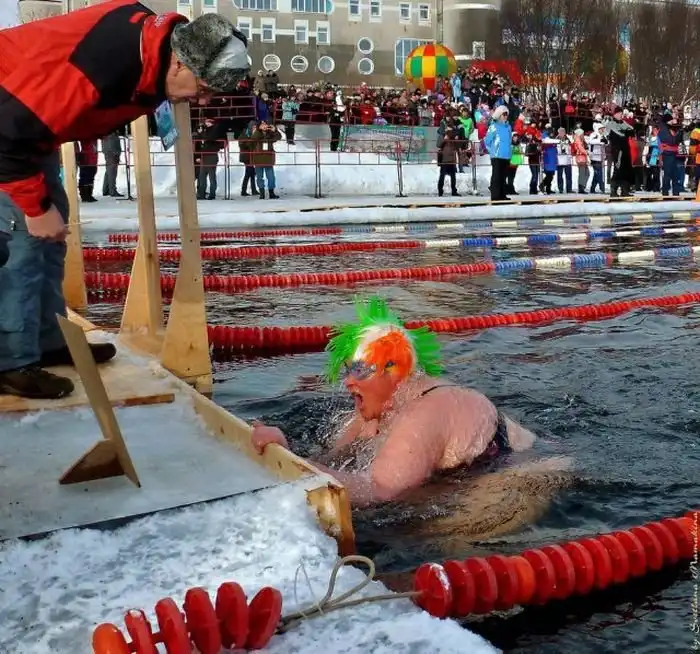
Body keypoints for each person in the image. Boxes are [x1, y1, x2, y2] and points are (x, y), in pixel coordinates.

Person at [0, 0, 250, 400]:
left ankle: (48, 340)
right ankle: (11, 364)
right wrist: (34, 208)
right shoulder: (100, 63)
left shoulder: (158, 48)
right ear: (180, 64)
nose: (201, 101)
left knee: (52, 237)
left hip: (30, 126)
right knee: (24, 241)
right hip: (9, 129)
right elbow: (8, 135)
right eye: (203, 90)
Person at [252, 296, 536, 507]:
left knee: (438, 540)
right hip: (473, 473)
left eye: (359, 370)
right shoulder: (370, 414)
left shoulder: (426, 410)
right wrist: (286, 455)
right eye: (348, 370)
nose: (348, 381)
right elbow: (330, 463)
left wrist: (291, 466)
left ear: (394, 371)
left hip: (521, 473)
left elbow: (380, 491)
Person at [484, 105, 512, 201]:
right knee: (496, 175)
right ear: (499, 115)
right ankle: (495, 195)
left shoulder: (508, 127)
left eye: (507, 114)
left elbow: (509, 140)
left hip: (506, 155)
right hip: (496, 155)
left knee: (504, 176)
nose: (505, 116)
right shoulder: (493, 126)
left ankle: (502, 194)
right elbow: (487, 141)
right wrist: (492, 150)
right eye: (504, 114)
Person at [251, 120, 281, 199]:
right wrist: (259, 129)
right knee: (259, 177)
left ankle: (271, 193)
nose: (264, 125)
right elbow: (254, 138)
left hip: (268, 158)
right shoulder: (256, 132)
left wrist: (275, 130)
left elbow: (278, 137)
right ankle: (262, 193)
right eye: (262, 124)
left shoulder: (270, 133)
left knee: (271, 177)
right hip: (258, 158)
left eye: (265, 124)